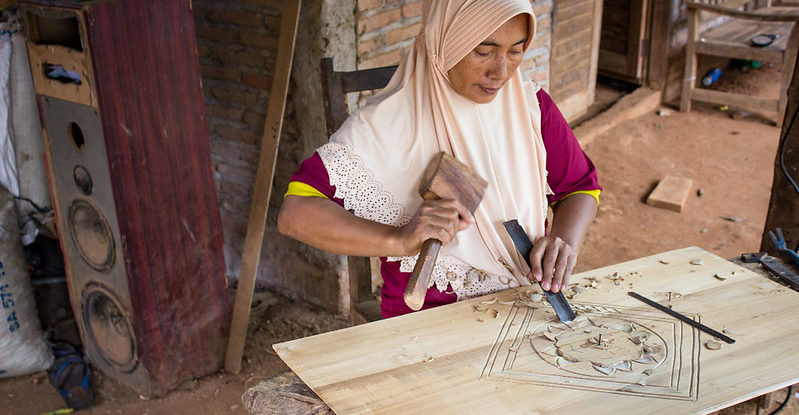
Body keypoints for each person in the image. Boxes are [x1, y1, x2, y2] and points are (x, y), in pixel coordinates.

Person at [278, 0, 600, 318]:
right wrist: (399, 240)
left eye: (515, 51)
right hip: (430, 317)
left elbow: (580, 187)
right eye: (483, 51)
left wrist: (563, 241)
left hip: (527, 298)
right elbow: (295, 214)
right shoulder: (385, 124)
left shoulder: (530, 107)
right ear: (445, 39)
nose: (500, 72)